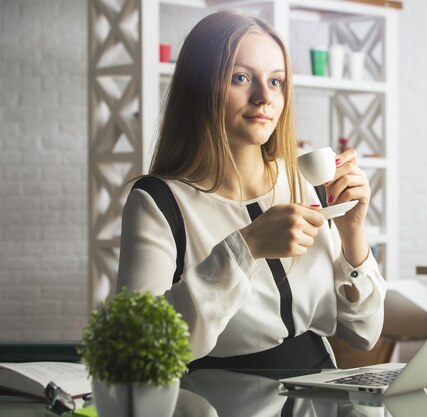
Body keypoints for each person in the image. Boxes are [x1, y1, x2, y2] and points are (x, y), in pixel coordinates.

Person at [116, 10, 385, 370]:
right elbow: (138, 347)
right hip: (214, 398)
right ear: (199, 89)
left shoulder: (309, 184)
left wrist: (353, 234)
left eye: (276, 81)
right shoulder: (159, 201)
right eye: (241, 78)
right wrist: (245, 248)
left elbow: (365, 334)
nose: (264, 97)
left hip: (318, 393)